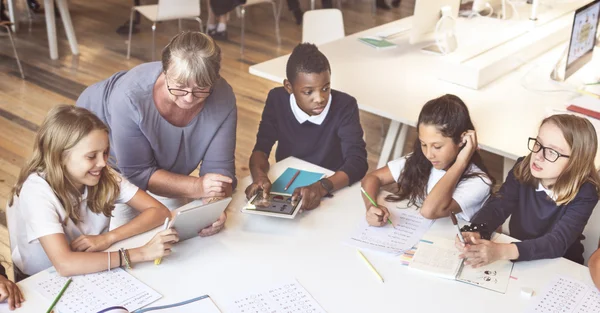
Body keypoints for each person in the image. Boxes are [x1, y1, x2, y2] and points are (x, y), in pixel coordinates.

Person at [76, 31, 236, 232]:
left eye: (201, 89)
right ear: (165, 71)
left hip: (164, 168)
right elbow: (137, 172)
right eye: (179, 87)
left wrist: (213, 205)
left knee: (180, 233)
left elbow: (219, 168)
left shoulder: (223, 96)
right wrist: (197, 187)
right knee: (128, 237)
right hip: (115, 167)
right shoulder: (129, 96)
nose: (188, 98)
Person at [7, 105, 176, 278]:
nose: (103, 163)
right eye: (91, 156)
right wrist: (140, 253)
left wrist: (108, 238)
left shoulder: (101, 173)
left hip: (92, 265)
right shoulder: (36, 191)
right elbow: (65, 264)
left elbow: (160, 212)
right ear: (60, 157)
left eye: (105, 152)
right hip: (40, 278)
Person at [457, 114, 600, 266]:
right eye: (538, 144)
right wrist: (475, 231)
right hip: (520, 254)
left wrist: (502, 251)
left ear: (575, 162)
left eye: (552, 152)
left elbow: (557, 242)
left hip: (560, 263)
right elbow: (498, 206)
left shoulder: (585, 193)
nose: (538, 156)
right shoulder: (524, 168)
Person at [245, 43, 368, 211]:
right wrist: (259, 177)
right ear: (289, 87)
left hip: (333, 188)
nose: (320, 98)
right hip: (289, 187)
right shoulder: (277, 99)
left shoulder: (345, 105)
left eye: (325, 88)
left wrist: (321, 187)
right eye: (308, 92)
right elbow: (261, 148)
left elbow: (357, 162)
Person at [361, 94, 493, 225]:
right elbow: (373, 178)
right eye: (423, 144)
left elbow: (429, 211)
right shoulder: (421, 160)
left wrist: (461, 162)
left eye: (437, 146)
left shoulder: (479, 182)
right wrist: (371, 207)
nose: (429, 154)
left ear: (461, 140)